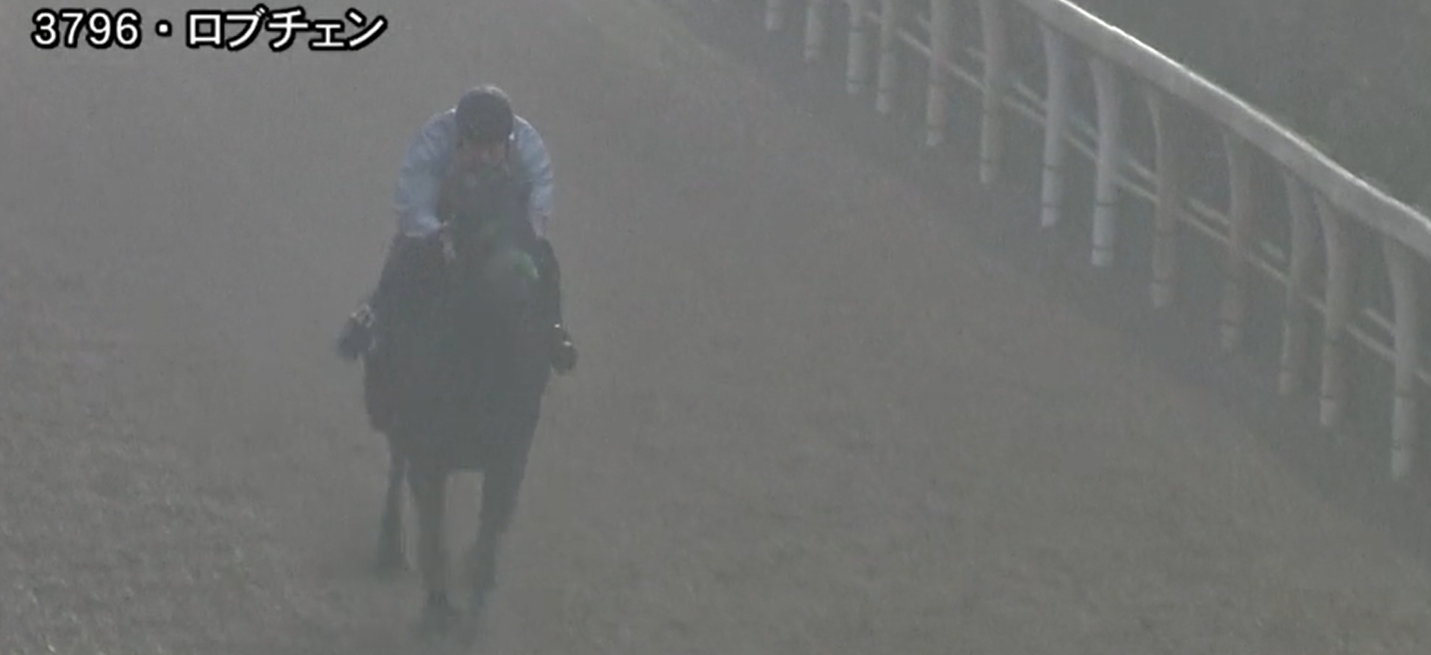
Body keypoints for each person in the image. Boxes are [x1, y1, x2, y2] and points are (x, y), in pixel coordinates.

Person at [335, 84, 578, 374]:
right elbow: (413, 204)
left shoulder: (529, 148)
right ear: (459, 141)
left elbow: (538, 207)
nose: (483, 158)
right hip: (445, 219)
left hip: (504, 222)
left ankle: (554, 328)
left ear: (507, 144)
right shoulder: (434, 140)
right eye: (475, 148)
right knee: (406, 252)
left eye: (492, 149)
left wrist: (519, 236)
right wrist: (439, 236)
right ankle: (372, 314)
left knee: (544, 257)